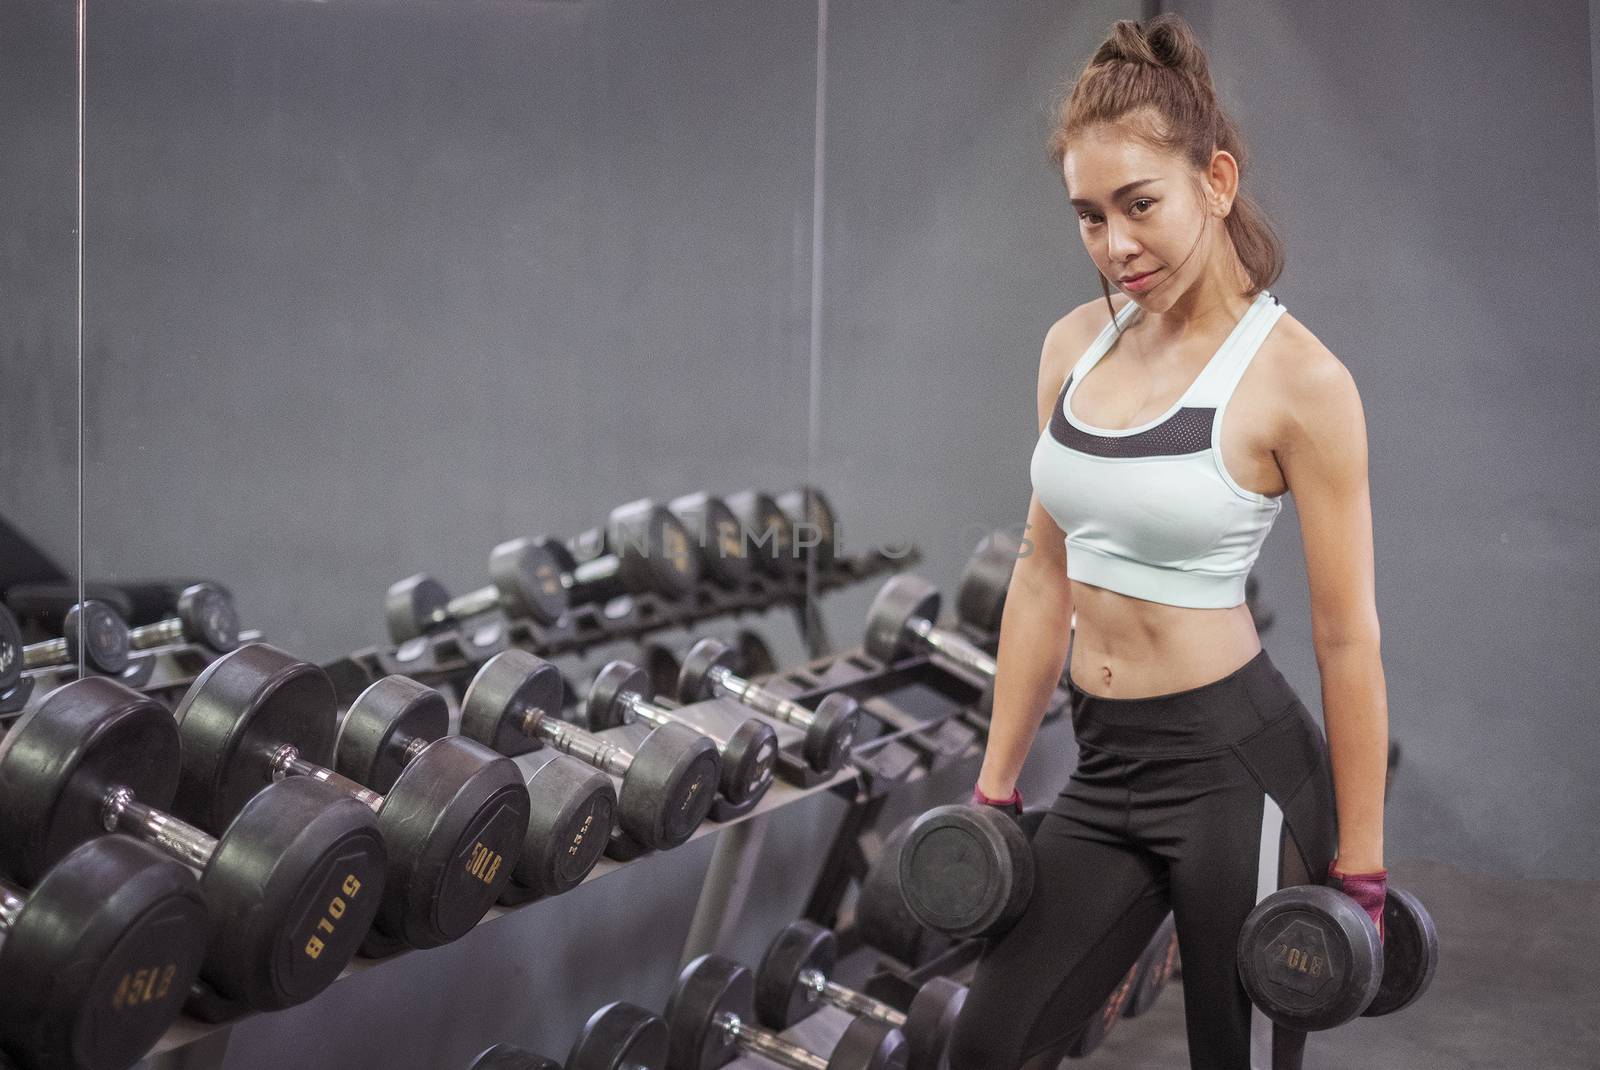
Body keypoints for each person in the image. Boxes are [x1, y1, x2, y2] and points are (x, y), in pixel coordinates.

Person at [946, 15, 1390, 1070]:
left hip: (1237, 770)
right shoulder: (1071, 345)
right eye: (1089, 217)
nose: (1114, 245)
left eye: (1138, 204)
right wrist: (996, 782)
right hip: (1104, 764)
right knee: (986, 1045)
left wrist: (1362, 861)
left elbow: (1346, 639)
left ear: (1217, 180)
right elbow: (1041, 573)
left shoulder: (1300, 381)